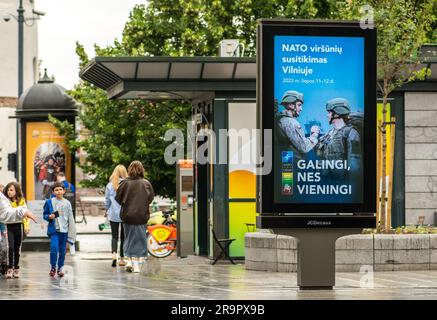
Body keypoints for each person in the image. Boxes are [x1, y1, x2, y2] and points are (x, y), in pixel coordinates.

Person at [115, 161, 154, 273]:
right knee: (140, 239)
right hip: (141, 215)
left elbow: (118, 198)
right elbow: (150, 198)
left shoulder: (124, 183)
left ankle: (130, 260)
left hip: (127, 215)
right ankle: (136, 264)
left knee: (128, 238)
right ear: (142, 170)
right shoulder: (146, 183)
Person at [315, 98, 362, 180]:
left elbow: (354, 166)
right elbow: (318, 154)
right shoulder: (328, 135)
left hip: (341, 186)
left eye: (329, 112)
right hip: (326, 185)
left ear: (337, 113)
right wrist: (314, 136)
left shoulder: (351, 133)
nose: (327, 115)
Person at [43, 182, 76, 277]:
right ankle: (53, 267)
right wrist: (49, 216)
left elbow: (70, 218)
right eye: (56, 190)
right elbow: (44, 215)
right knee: (54, 248)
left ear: (64, 191)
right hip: (54, 230)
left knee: (62, 250)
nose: (58, 191)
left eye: (60, 189)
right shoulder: (49, 202)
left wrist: (72, 231)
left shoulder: (67, 203)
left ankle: (60, 267)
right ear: (53, 192)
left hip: (64, 231)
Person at [275, 90, 320, 160]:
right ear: (291, 105)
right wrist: (314, 135)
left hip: (285, 160)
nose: (301, 109)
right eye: (299, 105)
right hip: (292, 162)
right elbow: (304, 147)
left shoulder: (279, 120)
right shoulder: (290, 122)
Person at [3, 182, 29, 279]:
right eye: (8, 190)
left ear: (16, 191)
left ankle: (16, 268)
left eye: (11, 190)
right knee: (10, 247)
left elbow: (25, 214)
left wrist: (26, 226)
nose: (9, 192)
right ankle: (9, 268)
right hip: (9, 226)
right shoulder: (5, 202)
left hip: (19, 226)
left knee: (17, 248)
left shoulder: (21, 201)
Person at [105, 165, 128, 267]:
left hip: (113, 213)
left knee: (114, 236)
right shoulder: (127, 184)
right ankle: (122, 259)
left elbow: (107, 200)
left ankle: (114, 255)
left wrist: (107, 210)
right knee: (123, 237)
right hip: (125, 213)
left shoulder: (110, 185)